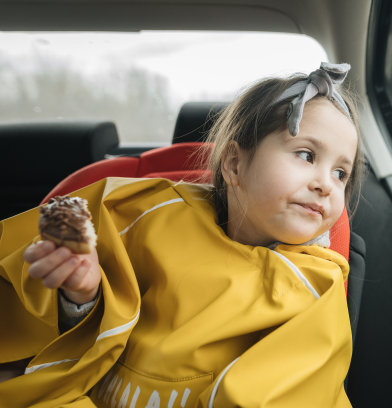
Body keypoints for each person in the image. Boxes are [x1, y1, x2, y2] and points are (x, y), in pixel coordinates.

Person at [0, 62, 364, 407]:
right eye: (306, 155)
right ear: (235, 164)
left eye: (340, 174)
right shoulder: (148, 216)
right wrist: (81, 294)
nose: (325, 186)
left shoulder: (318, 286)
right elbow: (71, 345)